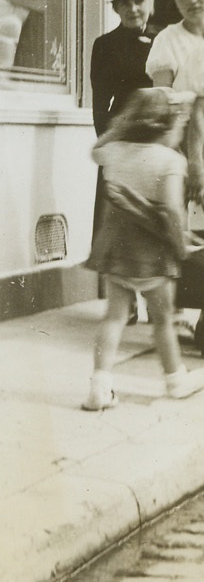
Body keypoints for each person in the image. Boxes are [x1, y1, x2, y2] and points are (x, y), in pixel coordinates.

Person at [84, 89, 204, 410]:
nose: (180, 132)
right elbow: (172, 213)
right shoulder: (170, 162)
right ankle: (175, 380)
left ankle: (99, 386)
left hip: (116, 249)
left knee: (113, 317)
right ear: (167, 126)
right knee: (163, 319)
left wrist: (121, 126)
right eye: (179, 125)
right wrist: (181, 245)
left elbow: (95, 150)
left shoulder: (114, 150)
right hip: (153, 252)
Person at [91, 0, 158, 242]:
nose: (132, 9)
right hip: (121, 138)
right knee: (116, 225)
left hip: (158, 139)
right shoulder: (105, 45)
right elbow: (100, 104)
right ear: (115, 9)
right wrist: (110, 146)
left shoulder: (163, 38)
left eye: (138, 1)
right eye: (124, 3)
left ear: (150, 2)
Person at [147, 0, 204, 206]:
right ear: (175, 1)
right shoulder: (167, 39)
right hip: (184, 147)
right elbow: (163, 105)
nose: (193, 0)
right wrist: (191, 162)